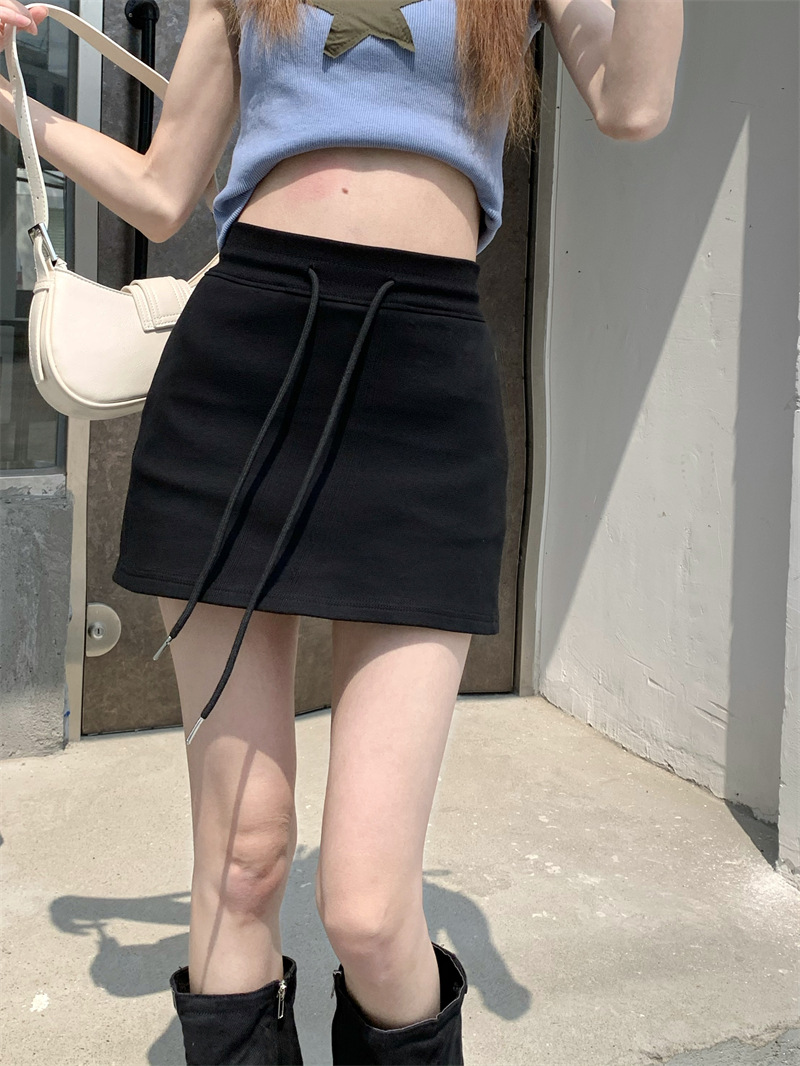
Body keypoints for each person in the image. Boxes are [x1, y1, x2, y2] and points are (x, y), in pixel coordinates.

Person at [0, 0, 683, 1062]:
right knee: (243, 859)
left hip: (422, 389)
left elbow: (632, 104)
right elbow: (163, 188)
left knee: (367, 908)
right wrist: (15, 105)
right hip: (242, 371)